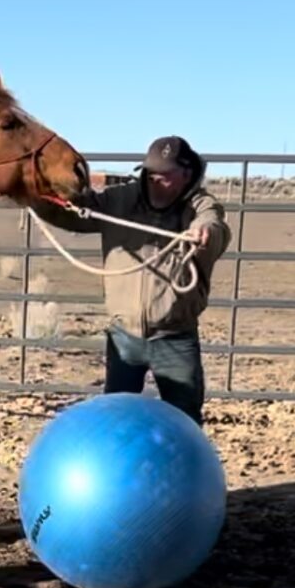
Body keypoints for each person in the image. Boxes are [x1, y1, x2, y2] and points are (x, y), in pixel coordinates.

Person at [32, 135, 231, 425]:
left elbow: (213, 223)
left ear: (186, 174)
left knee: (184, 419)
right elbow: (75, 214)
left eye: (163, 176)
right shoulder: (121, 199)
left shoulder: (199, 206)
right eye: (150, 174)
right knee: (117, 417)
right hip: (124, 335)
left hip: (174, 336)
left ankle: (184, 470)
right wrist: (34, 198)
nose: (154, 181)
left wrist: (204, 232)